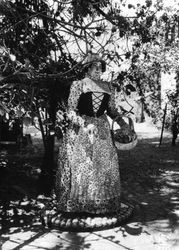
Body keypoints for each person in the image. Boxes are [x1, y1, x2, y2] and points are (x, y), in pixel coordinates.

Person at [54, 53, 133, 229]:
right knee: (83, 166)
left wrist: (122, 123)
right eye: (94, 66)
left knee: (104, 165)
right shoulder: (78, 85)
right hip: (82, 129)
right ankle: (79, 206)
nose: (98, 69)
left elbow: (111, 110)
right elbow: (70, 111)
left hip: (102, 129)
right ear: (87, 68)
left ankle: (102, 205)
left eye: (100, 67)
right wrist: (84, 124)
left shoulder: (108, 87)